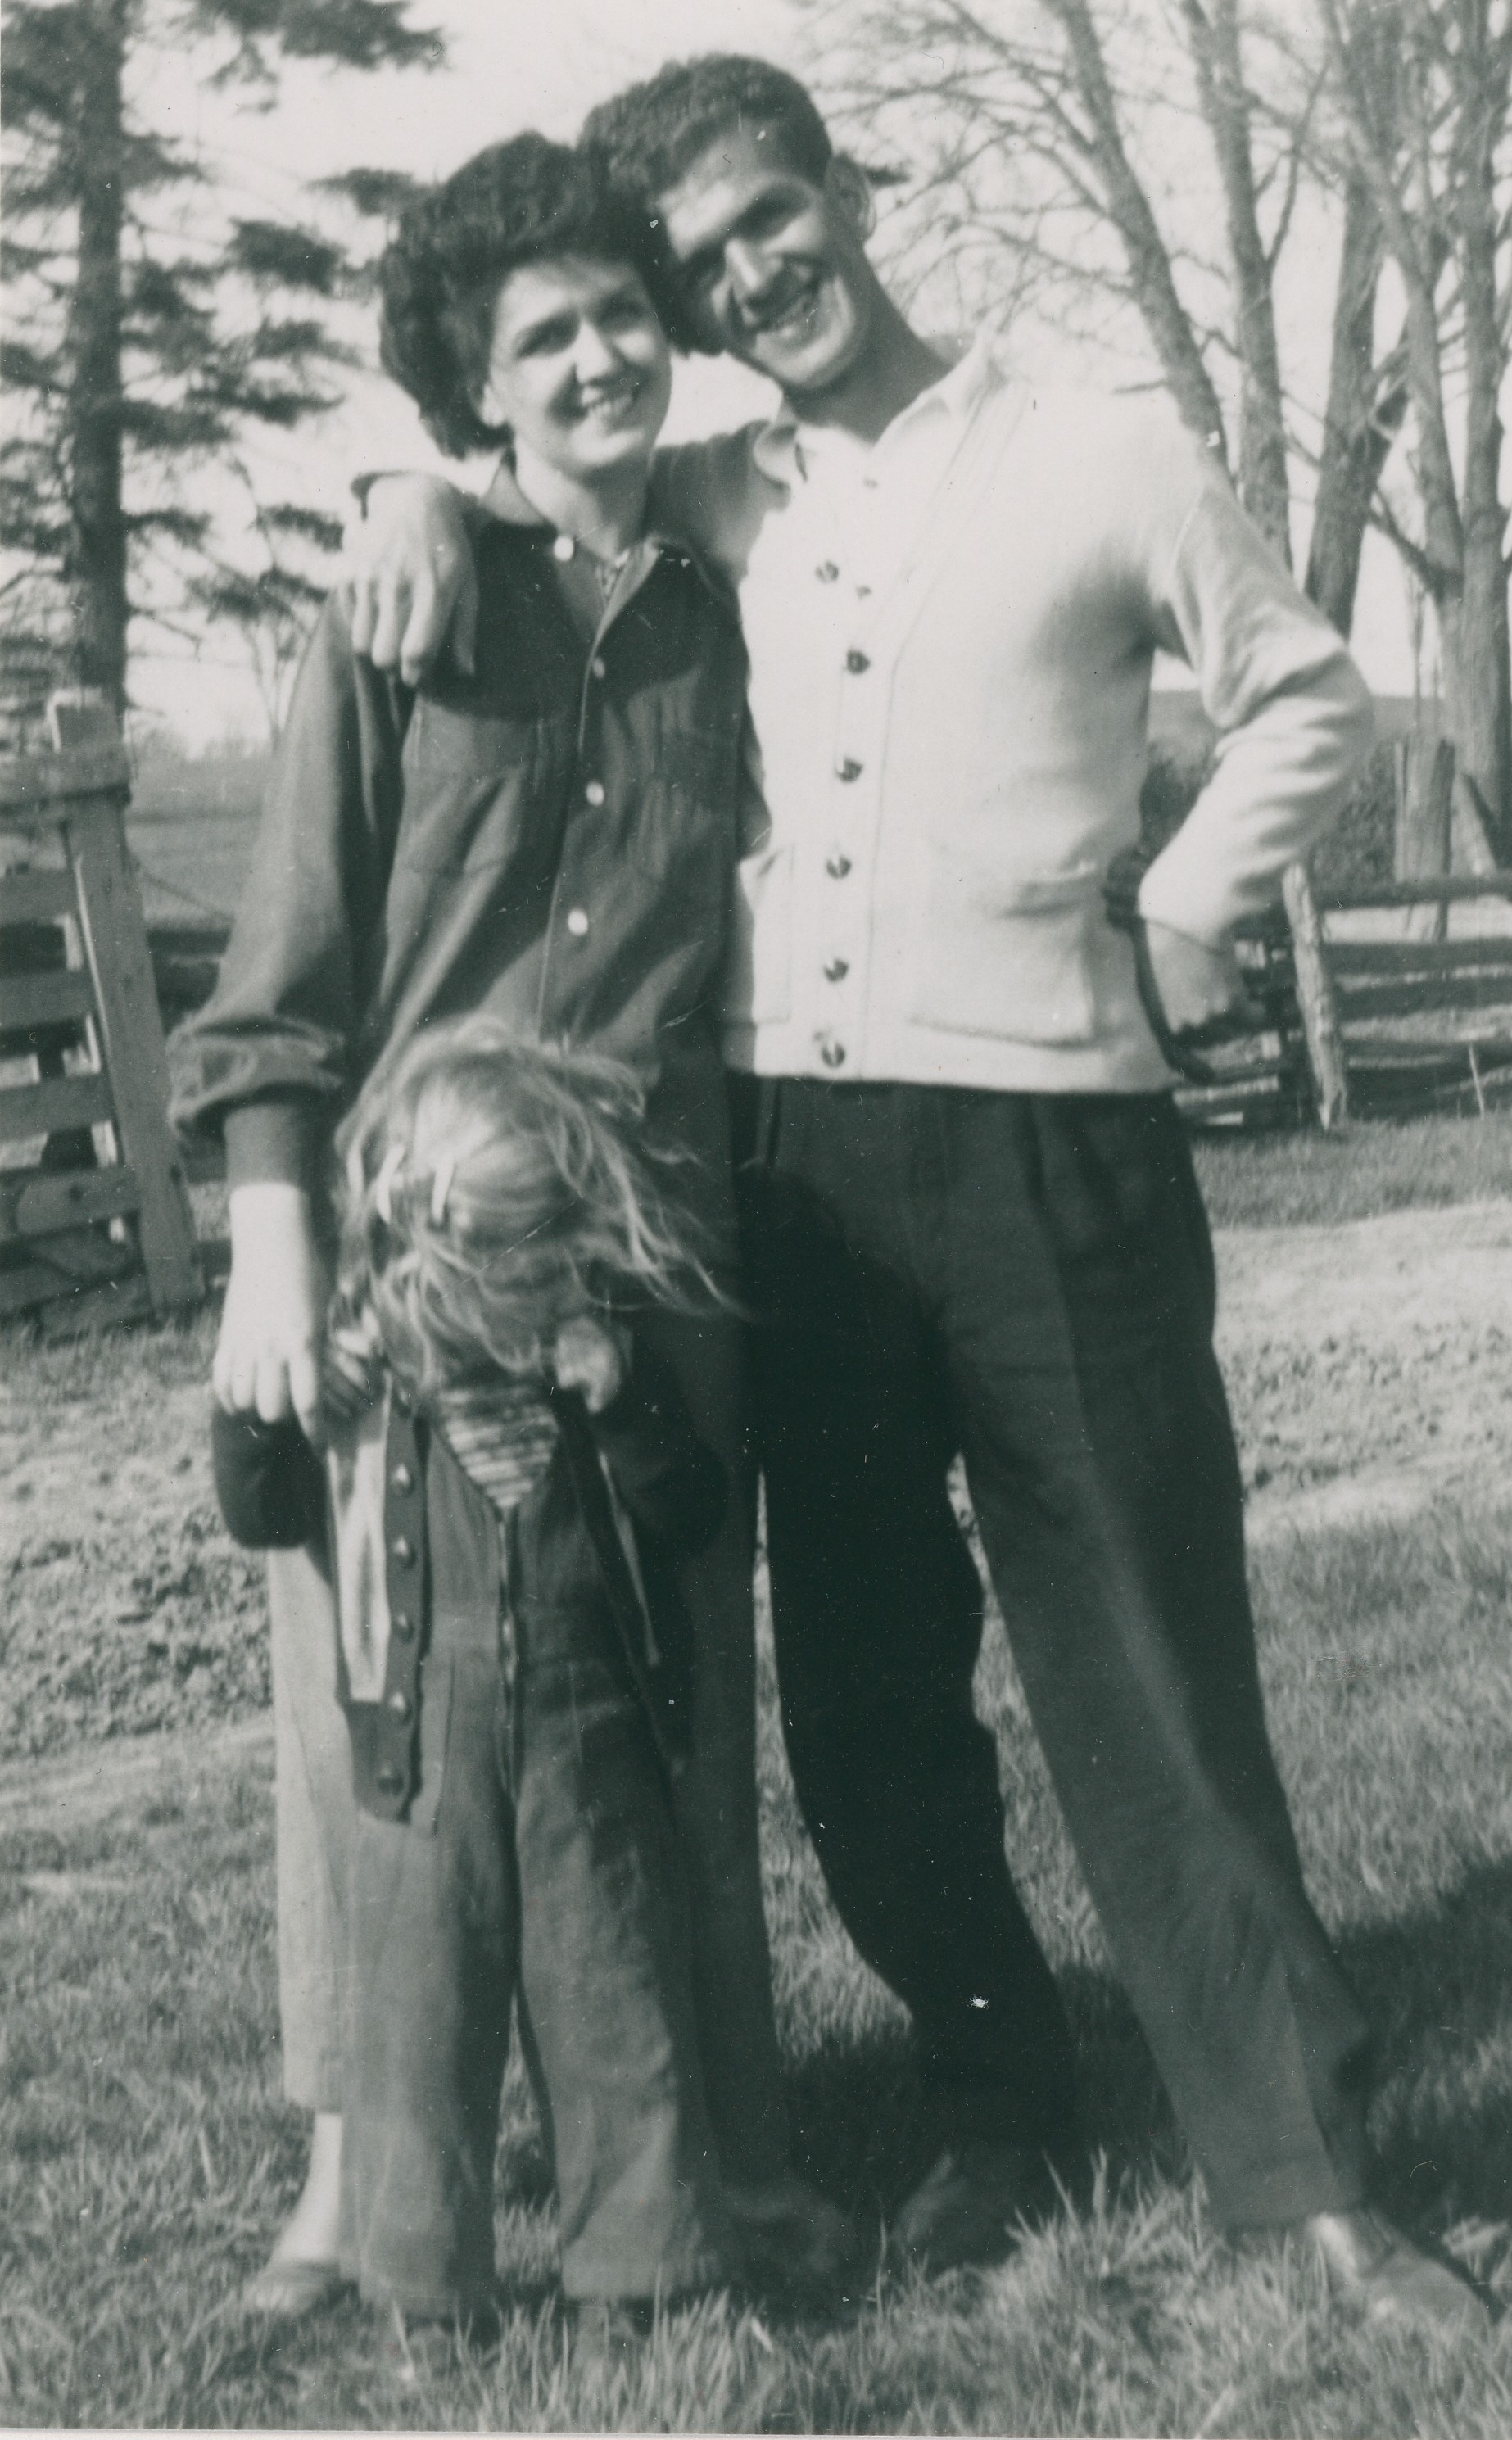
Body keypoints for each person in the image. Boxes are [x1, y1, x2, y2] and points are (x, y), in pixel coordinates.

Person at [345, 57, 1494, 2338]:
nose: (748, 276)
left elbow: (1305, 696)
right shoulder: (705, 488)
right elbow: (517, 470)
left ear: (842, 189)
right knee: (867, 1692)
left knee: (1147, 1661)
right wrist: (403, 485)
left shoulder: (1098, 451)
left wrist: (1185, 908)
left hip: (1054, 1148)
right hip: (790, 1171)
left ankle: (1304, 2167)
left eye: (770, 215)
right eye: (699, 263)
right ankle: (1000, 2101)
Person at [171, 128, 844, 2316]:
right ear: (471, 388)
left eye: (620, 314)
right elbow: (279, 981)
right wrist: (275, 1249)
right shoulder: (399, 611)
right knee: (377, 1725)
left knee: (671, 1710)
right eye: (540, 337)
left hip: (650, 1264)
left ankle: (720, 2163)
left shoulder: (724, 606)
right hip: (407, 1269)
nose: (595, 359)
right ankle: (346, 2192)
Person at [212, 1020, 735, 2334]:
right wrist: (261, 1406)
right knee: (417, 2026)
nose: (533, 1299)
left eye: (553, 1264)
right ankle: (424, 2293)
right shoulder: (362, 1362)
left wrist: (623, 1402)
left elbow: (694, 1510)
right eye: (514, 1269)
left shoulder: (592, 1345)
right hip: (417, 1751)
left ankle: (638, 2276)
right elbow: (266, 1514)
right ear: (429, 1243)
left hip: (590, 1738)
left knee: (616, 2001)